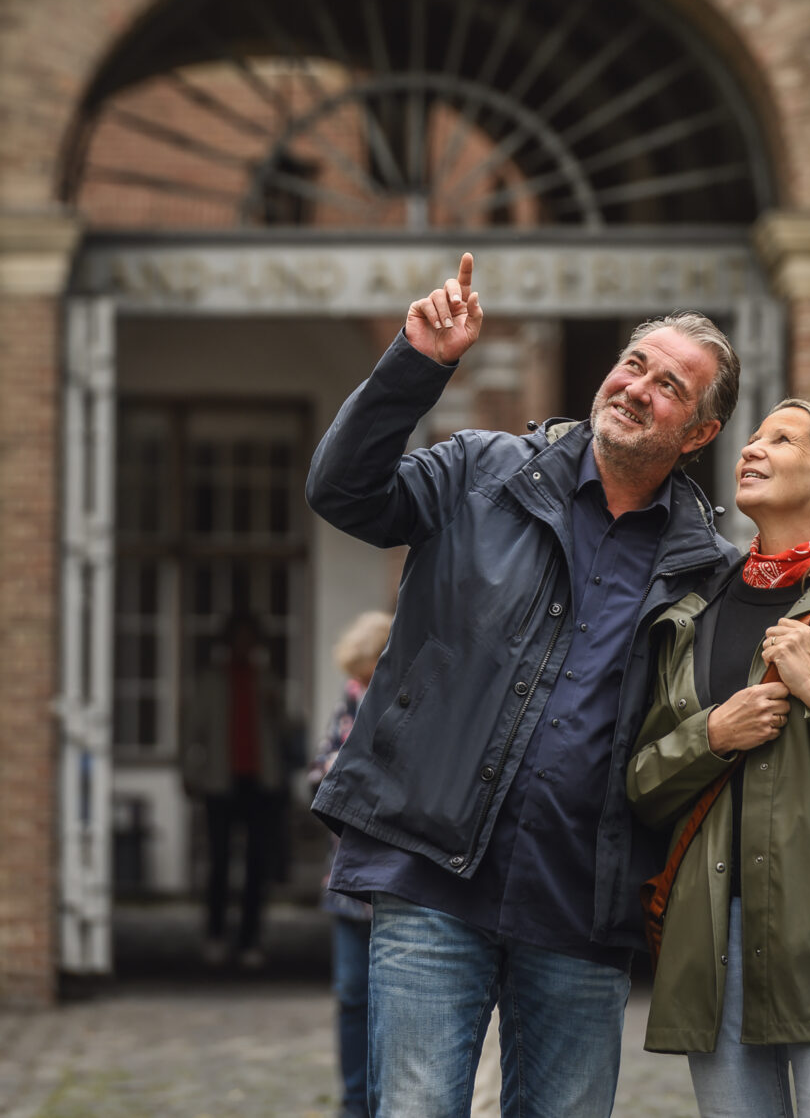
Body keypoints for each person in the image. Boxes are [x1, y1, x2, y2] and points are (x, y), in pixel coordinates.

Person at [307, 251, 741, 1118]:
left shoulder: (708, 571)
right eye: (633, 364)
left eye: (669, 386)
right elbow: (343, 492)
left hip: (582, 906)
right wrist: (416, 364)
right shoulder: (480, 471)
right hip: (431, 872)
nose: (637, 387)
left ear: (697, 434)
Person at [627, 399, 810, 1118]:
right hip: (710, 945)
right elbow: (640, 781)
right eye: (751, 438)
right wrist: (711, 736)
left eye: (780, 440)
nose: (750, 450)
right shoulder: (696, 612)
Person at [308, 610, 394, 1118]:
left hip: (390, 880)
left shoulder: (404, 697)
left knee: (394, 1003)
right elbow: (322, 769)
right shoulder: (349, 698)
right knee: (350, 997)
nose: (358, 683)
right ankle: (352, 1103)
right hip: (345, 878)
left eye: (365, 673)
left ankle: (385, 1102)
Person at [182, 609, 285, 969]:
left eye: (249, 638)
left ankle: (250, 939)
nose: (244, 645)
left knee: (258, 864)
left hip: (261, 782)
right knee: (220, 863)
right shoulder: (211, 681)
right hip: (220, 782)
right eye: (237, 637)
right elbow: (191, 732)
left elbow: (284, 731)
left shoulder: (267, 679)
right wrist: (188, 772)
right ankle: (214, 935)